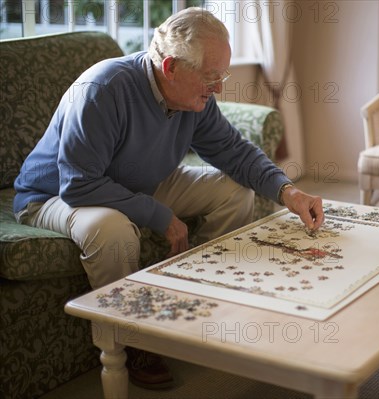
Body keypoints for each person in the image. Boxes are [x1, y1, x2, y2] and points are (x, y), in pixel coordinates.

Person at [13, 7, 324, 389]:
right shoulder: (101, 90)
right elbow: (78, 184)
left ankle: (200, 304)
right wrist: (159, 215)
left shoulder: (194, 100)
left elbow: (233, 151)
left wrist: (286, 190)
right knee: (112, 229)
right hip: (54, 194)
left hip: (135, 181)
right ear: (171, 67)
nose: (219, 88)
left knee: (231, 190)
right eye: (211, 77)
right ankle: (133, 341)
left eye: (222, 75)